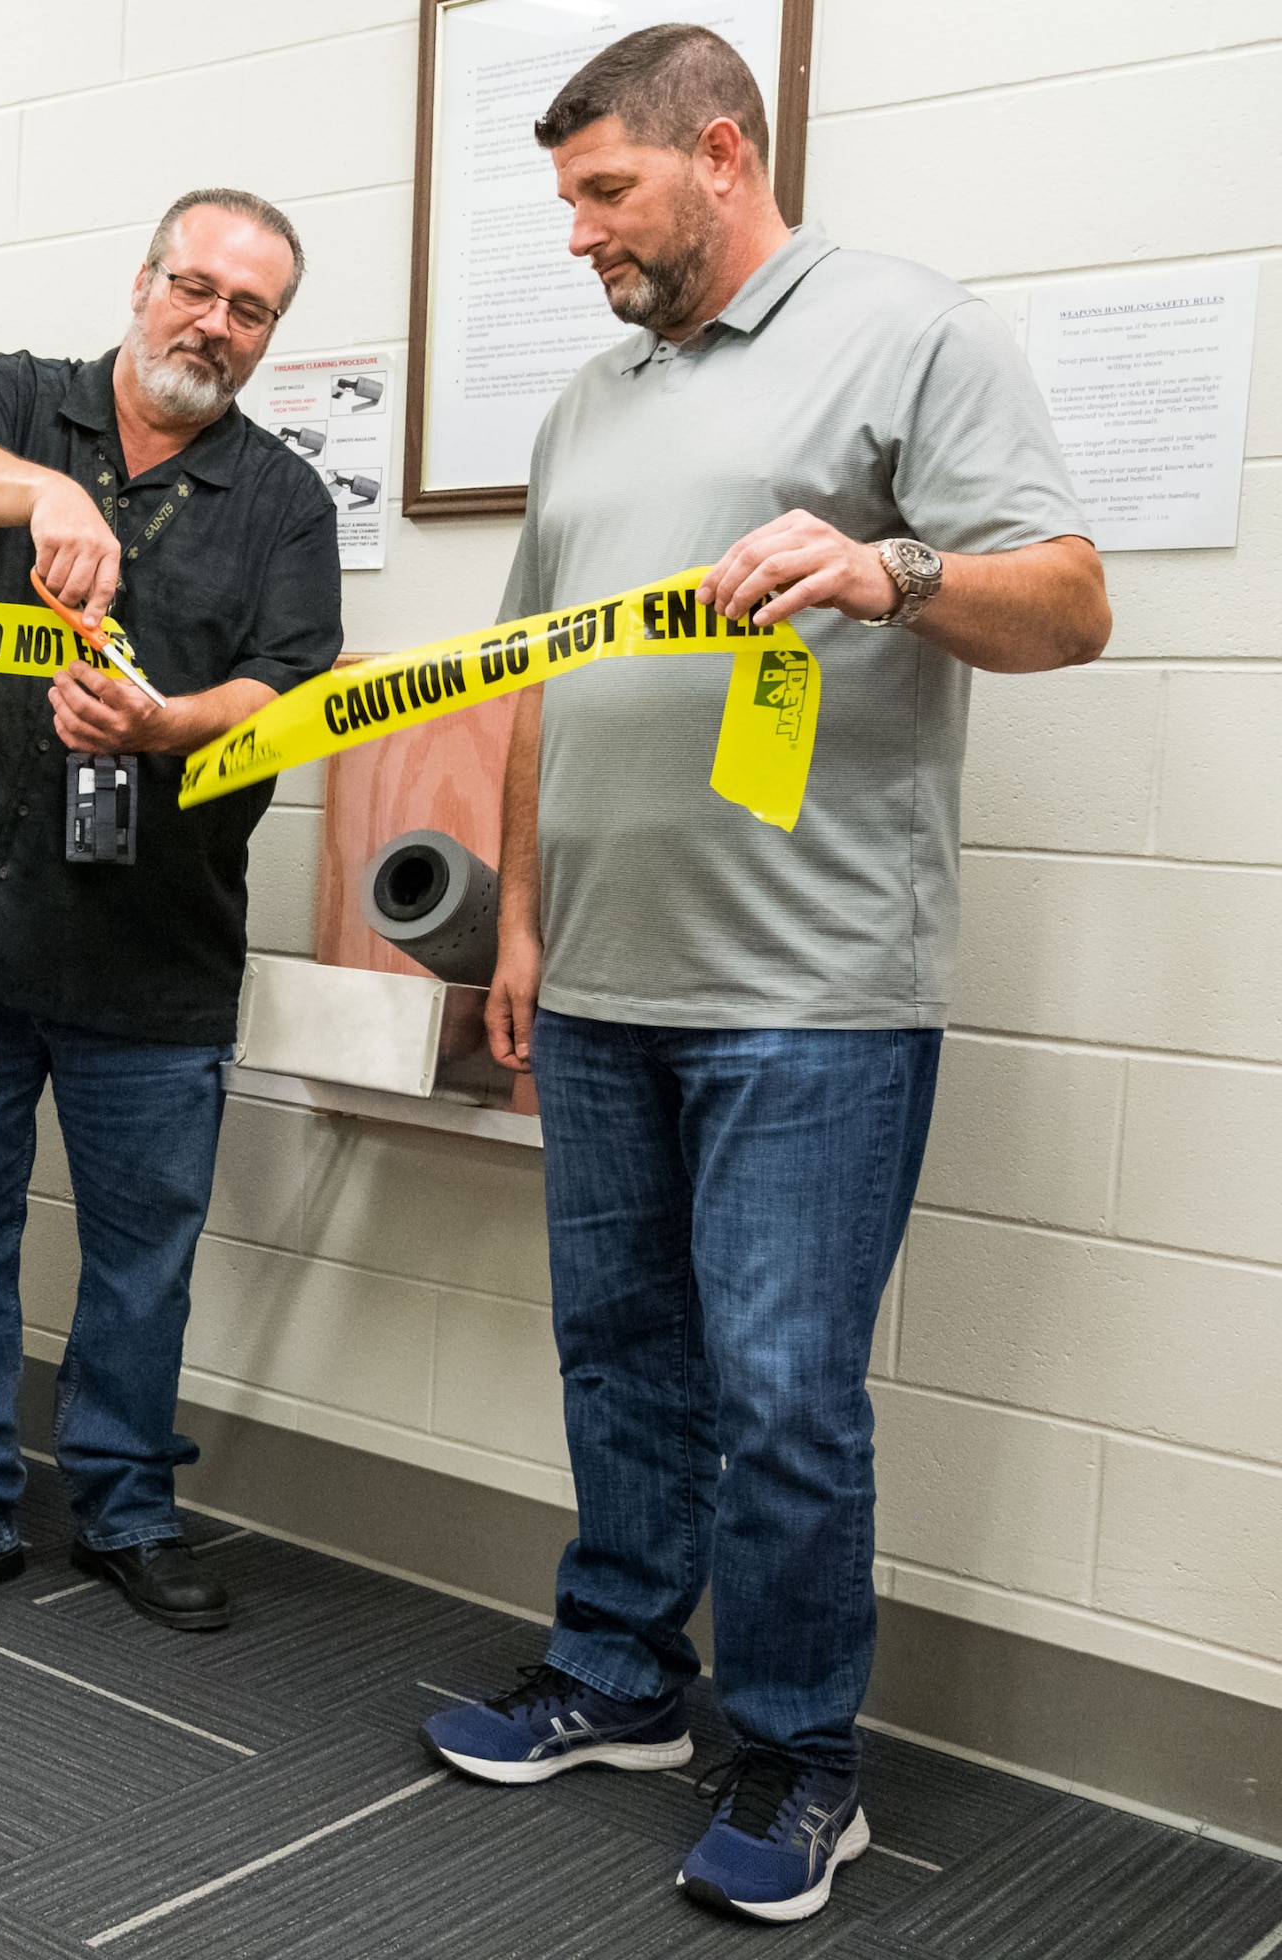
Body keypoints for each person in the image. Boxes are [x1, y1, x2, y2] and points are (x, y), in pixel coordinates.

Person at [419, 27, 1111, 1926]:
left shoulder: (910, 330)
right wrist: (528, 924)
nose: (577, 235)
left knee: (788, 1392)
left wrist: (891, 574)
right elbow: (544, 671)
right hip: (603, 977)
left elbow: (1071, 598)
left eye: (604, 193)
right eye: (563, 201)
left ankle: (805, 1763)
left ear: (720, 153)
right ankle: (626, 1675)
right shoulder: (591, 399)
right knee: (616, 1348)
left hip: (814, 993)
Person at [0, 188, 340, 1631]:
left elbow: (291, 693)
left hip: (154, 949)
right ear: (142, 283)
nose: (214, 323)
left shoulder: (285, 501)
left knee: (144, 1256)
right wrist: (44, 493)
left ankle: (126, 1508)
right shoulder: (22, 399)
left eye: (249, 310)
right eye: (194, 288)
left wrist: (171, 725)